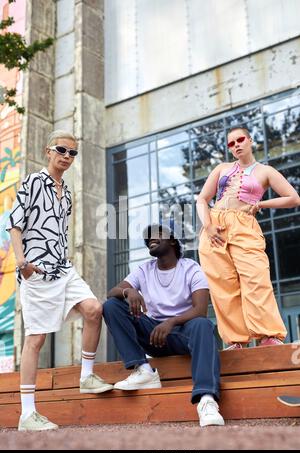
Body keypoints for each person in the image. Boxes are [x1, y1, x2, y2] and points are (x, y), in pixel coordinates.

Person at [6, 130, 113, 431]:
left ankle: (87, 376)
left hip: (63, 268)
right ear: (48, 151)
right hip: (37, 270)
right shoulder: (32, 182)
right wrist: (23, 263)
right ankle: (28, 414)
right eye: (62, 150)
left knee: (94, 309)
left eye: (73, 153)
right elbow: (14, 225)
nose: (67, 156)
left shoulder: (66, 192)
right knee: (36, 339)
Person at [103, 224, 225, 427]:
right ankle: (142, 370)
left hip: (183, 334)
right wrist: (128, 292)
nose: (150, 239)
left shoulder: (191, 267)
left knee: (202, 324)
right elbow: (112, 292)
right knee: (111, 306)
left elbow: (200, 309)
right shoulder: (144, 269)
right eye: (147, 238)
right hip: (154, 335)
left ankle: (206, 400)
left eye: (157, 235)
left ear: (172, 241)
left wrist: (171, 322)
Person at [197, 126, 300, 350]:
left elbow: (293, 198)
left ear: (250, 140)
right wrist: (208, 226)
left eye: (240, 139)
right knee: (222, 285)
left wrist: (260, 204)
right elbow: (202, 200)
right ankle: (236, 340)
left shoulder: (266, 171)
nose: (236, 145)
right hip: (215, 226)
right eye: (231, 144)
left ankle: (268, 335)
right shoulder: (221, 168)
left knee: (256, 279)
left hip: (244, 225)